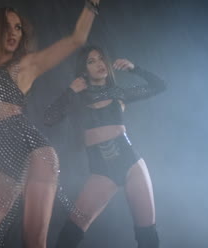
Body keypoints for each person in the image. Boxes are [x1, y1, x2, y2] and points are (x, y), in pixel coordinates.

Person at [0, 0, 134, 247]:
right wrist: (2, 22)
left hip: (30, 151)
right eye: (7, 26)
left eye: (18, 28)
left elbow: (76, 39)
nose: (13, 33)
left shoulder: (26, 65)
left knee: (32, 242)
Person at [44, 45, 166, 248]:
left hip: (131, 163)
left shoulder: (118, 93)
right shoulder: (77, 97)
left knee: (147, 237)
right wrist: (70, 91)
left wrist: (134, 69)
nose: (99, 64)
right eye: (91, 61)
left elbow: (160, 85)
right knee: (69, 234)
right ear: (84, 70)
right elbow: (49, 118)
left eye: (101, 59)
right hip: (102, 170)